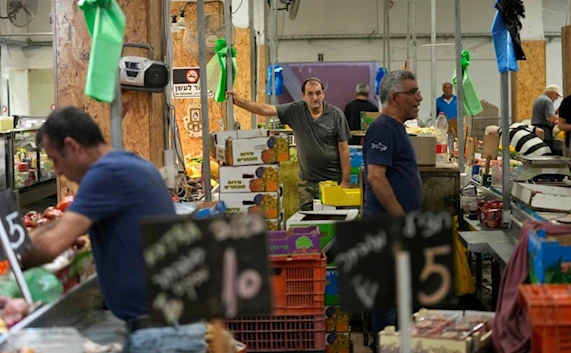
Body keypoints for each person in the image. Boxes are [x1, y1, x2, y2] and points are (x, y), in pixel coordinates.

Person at [20, 107, 205, 352]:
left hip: (161, 334)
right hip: (166, 325)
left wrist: (10, 255)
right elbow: (61, 226)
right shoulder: (127, 163)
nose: (58, 171)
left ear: (73, 146)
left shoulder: (105, 174)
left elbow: (52, 245)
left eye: (55, 160)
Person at [362, 70, 423, 352]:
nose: (419, 98)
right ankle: (384, 347)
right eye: (414, 92)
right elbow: (375, 176)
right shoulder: (384, 127)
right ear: (396, 97)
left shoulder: (396, 127)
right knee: (387, 297)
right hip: (387, 226)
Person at [228, 77, 351, 211]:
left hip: (333, 180)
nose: (315, 97)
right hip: (307, 183)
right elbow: (266, 110)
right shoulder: (295, 111)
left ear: (324, 94)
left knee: (334, 220)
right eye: (310, 94)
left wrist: (345, 180)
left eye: (318, 93)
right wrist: (239, 101)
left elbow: (344, 149)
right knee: (307, 219)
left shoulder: (336, 115)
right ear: (303, 96)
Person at [484, 123, 553, 157]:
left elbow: (504, 157)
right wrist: (537, 144)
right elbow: (540, 131)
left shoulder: (502, 135)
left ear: (491, 134)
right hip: (546, 150)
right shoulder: (516, 124)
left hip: (533, 157)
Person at [531, 85, 561, 154]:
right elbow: (550, 117)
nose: (556, 98)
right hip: (545, 133)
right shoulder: (548, 101)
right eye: (557, 95)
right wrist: (561, 119)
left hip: (536, 131)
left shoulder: (538, 99)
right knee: (547, 154)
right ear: (552, 93)